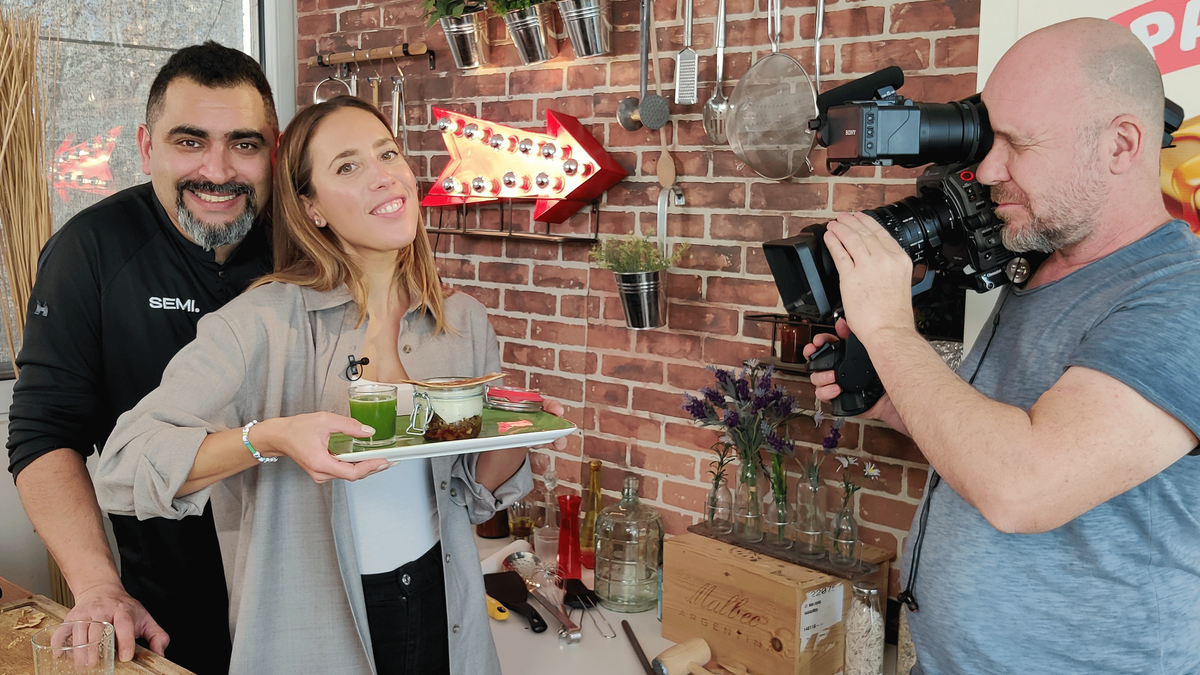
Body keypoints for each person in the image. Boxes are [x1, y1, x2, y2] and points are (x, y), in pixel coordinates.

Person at [804, 18, 1200, 675]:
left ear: (1121, 145)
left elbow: (1022, 485)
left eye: (1017, 143)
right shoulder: (1040, 267)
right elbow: (994, 436)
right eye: (991, 137)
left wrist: (892, 330)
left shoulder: (1180, 299)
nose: (987, 169)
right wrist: (890, 397)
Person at [94, 96, 536, 675]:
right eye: (348, 167)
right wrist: (268, 439)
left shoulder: (462, 322)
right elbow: (123, 468)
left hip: (446, 613)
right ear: (312, 208)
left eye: (389, 153)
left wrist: (513, 434)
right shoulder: (258, 324)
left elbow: (470, 498)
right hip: (308, 632)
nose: (383, 176)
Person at [7, 42, 277, 672]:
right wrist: (99, 586)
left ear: (276, 148)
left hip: (314, 588)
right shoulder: (91, 251)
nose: (219, 170)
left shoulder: (310, 244)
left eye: (244, 143)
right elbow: (45, 434)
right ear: (146, 146)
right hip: (168, 608)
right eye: (190, 142)